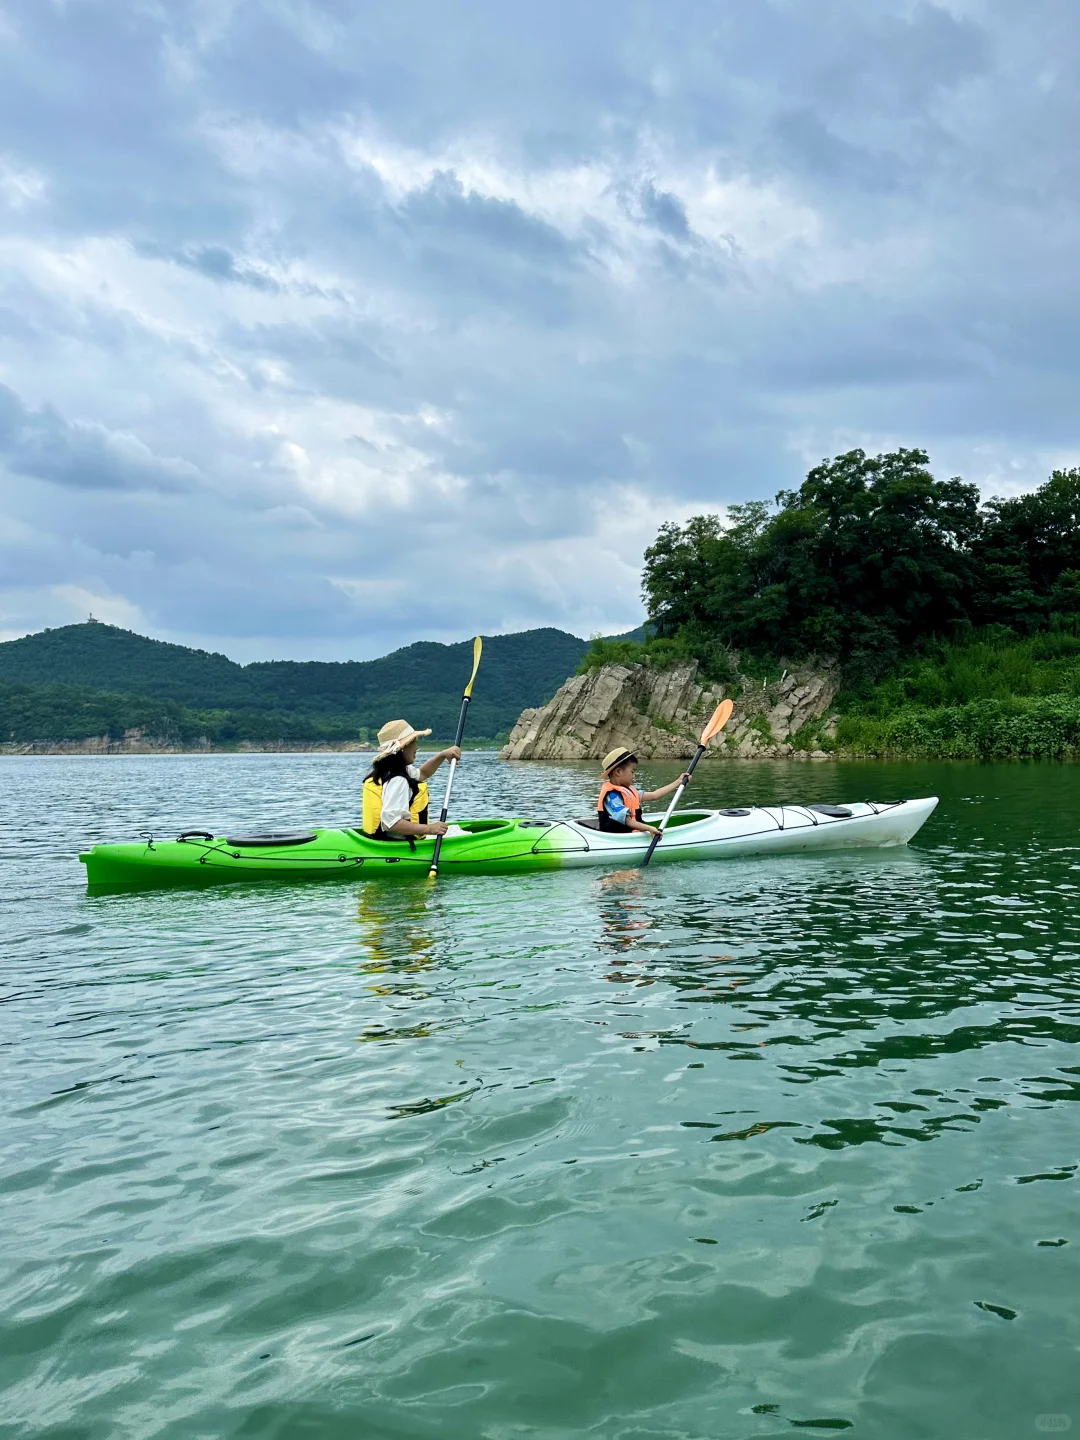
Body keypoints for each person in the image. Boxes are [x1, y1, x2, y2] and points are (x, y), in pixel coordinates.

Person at [361, 719, 462, 841]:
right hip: (400, 844)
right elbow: (391, 824)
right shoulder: (398, 780)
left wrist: (442, 755)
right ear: (403, 748)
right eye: (414, 742)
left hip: (389, 840)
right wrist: (430, 829)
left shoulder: (389, 771)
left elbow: (423, 773)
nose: (416, 747)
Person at [596, 747, 691, 837]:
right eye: (632, 772)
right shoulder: (612, 796)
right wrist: (648, 828)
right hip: (619, 837)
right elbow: (628, 821)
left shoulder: (629, 791)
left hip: (632, 834)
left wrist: (678, 782)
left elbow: (655, 795)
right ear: (618, 772)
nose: (634, 777)